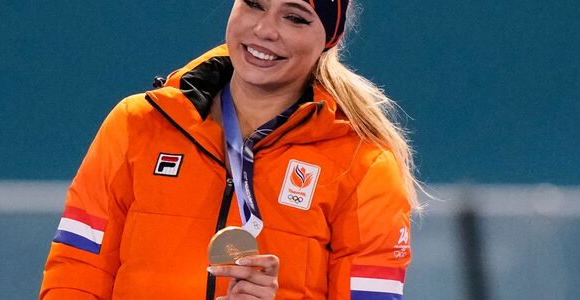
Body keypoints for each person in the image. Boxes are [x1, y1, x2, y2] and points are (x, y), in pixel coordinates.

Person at [40, 0, 422, 299]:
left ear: (329, 38)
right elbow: (76, 271)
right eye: (253, 4)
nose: (264, 29)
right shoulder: (138, 125)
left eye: (295, 17)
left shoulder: (363, 165)